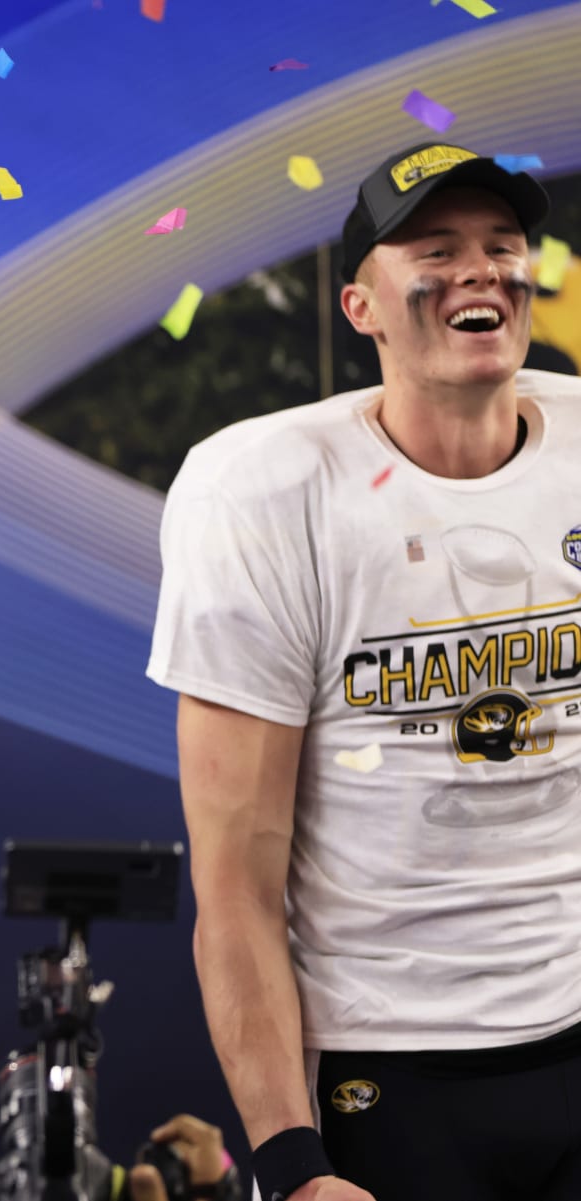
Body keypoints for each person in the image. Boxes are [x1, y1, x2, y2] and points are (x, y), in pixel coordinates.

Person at [149, 140, 581, 1201]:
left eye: (503, 245)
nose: (481, 268)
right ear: (360, 308)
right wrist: (293, 1164)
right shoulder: (262, 490)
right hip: (386, 1072)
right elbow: (235, 880)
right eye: (437, 249)